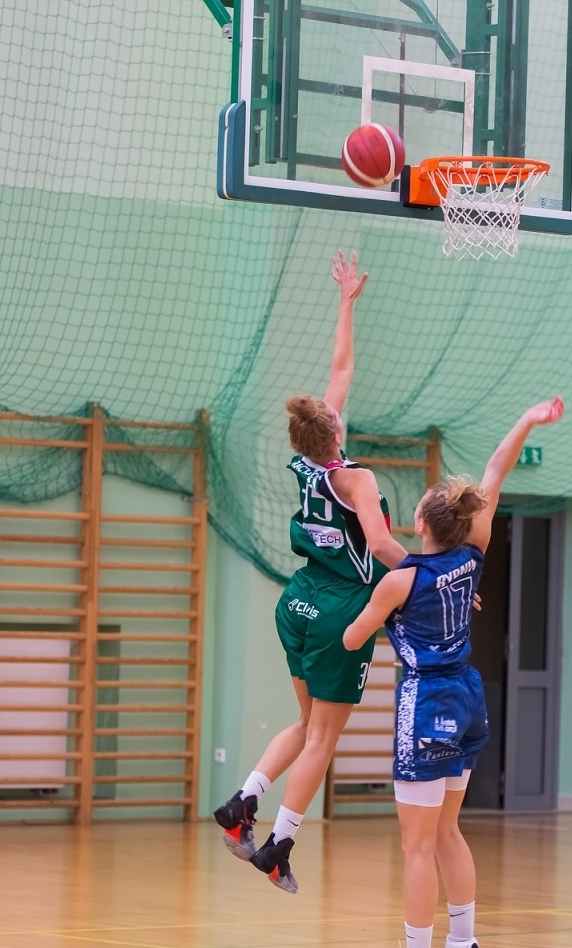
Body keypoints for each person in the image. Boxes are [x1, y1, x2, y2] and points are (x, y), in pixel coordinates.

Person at [343, 396, 565, 948]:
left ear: (422, 523)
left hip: (428, 700)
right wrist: (528, 418)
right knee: (446, 832)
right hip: (469, 697)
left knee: (417, 843)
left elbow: (352, 636)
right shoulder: (472, 555)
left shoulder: (399, 580)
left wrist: (367, 608)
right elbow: (496, 472)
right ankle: (461, 942)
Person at [212, 251, 409, 893]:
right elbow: (380, 544)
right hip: (338, 612)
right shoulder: (356, 478)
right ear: (336, 432)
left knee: (305, 725)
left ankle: (243, 801)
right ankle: (279, 845)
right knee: (324, 738)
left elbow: (340, 369)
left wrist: (346, 301)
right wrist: (430, 576)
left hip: (295, 602)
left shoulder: (306, 465)